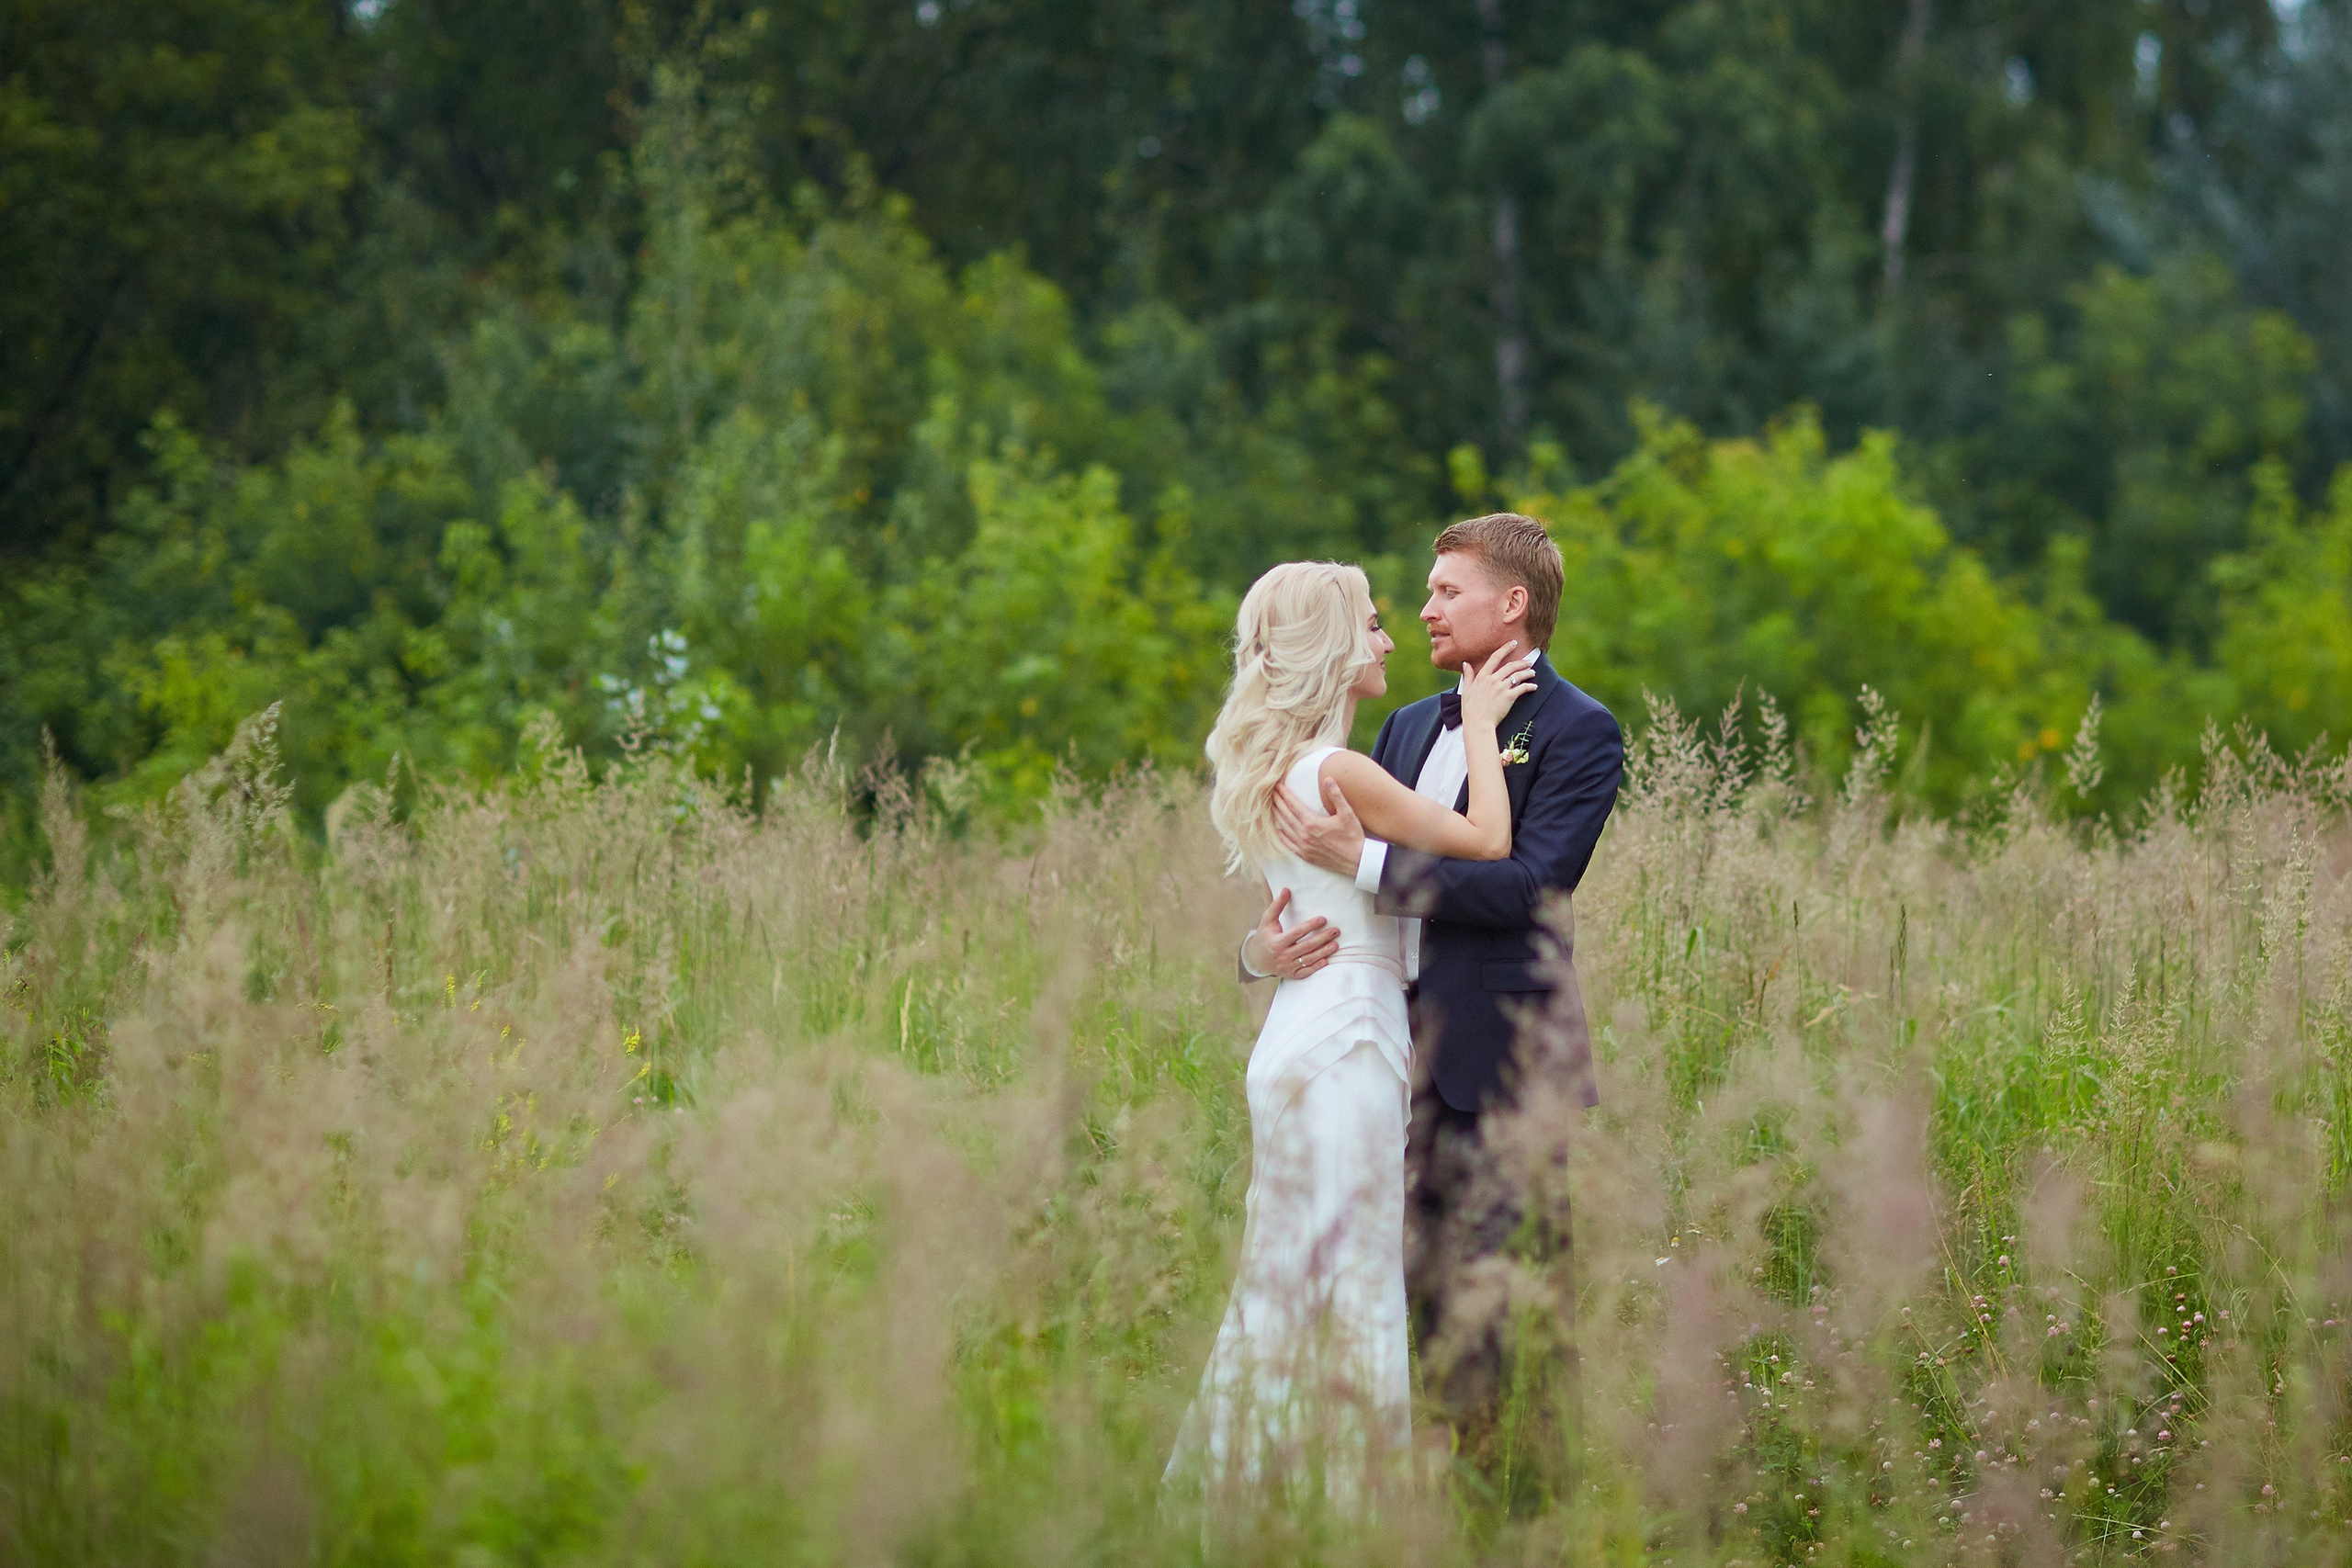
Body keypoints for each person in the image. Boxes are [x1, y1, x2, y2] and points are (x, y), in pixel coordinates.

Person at [1238, 513, 1623, 1458]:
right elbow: (1317, 884)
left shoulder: (1579, 730)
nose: (1423, 611)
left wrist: (1372, 865)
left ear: (1513, 603)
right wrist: (1258, 954)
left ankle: (1519, 1518)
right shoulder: (1408, 724)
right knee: (1394, 1314)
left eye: (1446, 591)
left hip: (1501, 1077)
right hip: (1377, 1063)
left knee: (1510, 1329)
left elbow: (1531, 887)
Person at [1166, 559, 1537, 1498]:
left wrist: (1254, 956)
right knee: (1352, 1284)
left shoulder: (1263, 772)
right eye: (1370, 625)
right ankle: (1334, 1512)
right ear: (1334, 649)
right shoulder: (1337, 770)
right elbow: (1490, 843)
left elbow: (1276, 931)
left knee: (1283, 1284)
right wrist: (1485, 728)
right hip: (1351, 1041)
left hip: (1293, 1035)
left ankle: (1252, 1503)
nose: (1386, 638)